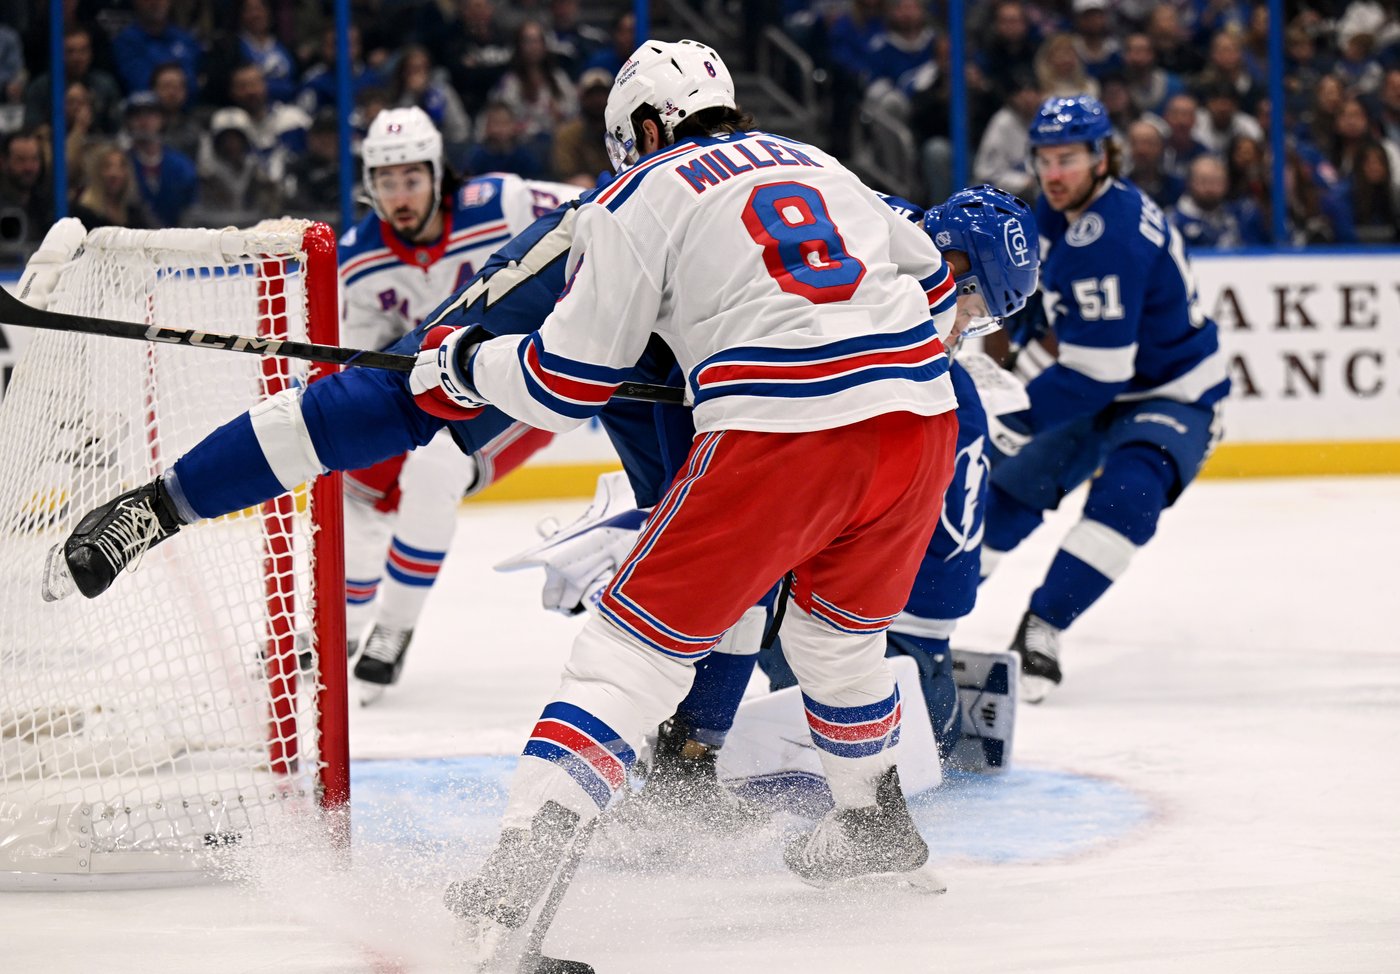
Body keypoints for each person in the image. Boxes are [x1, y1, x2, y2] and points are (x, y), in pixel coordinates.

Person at [416, 38, 959, 951]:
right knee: (837, 637)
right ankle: (871, 820)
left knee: (623, 657)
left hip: (782, 433)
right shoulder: (817, 160)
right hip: (918, 421)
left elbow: (567, 378)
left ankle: (517, 880)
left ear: (645, 123)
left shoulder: (635, 194)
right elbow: (939, 283)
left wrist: (467, 363)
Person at [981, 95, 1230, 704]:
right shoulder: (1055, 211)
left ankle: (1043, 627)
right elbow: (1036, 312)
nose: (1053, 172)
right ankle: (917, 622)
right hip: (1094, 378)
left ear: (1102, 157)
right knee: (1008, 497)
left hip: (1173, 390)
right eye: (1044, 159)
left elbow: (1097, 374)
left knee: (1129, 495)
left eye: (1068, 158)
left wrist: (1018, 414)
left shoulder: (1109, 236)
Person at [335, 106, 575, 698]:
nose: (400, 195)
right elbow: (361, 356)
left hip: (522, 383)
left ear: (439, 174)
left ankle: (393, 629)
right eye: (387, 182)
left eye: (412, 178)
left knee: (437, 466)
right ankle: (342, 626)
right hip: (433, 389)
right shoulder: (358, 259)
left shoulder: (502, 201)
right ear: (370, 186)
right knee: (354, 484)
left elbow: (598, 205)